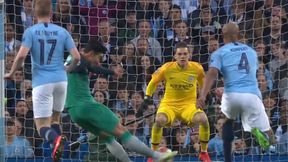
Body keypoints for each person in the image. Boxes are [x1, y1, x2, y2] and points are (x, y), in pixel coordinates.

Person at [64, 38, 177, 162]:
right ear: (90, 53)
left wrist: (107, 71)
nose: (98, 62)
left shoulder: (72, 60)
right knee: (122, 132)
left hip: (74, 111)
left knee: (108, 138)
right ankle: (157, 156)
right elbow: (91, 67)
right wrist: (112, 72)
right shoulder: (79, 58)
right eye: (98, 58)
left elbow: (85, 68)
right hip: (86, 106)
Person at [4, 0, 81, 161]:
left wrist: (11, 72)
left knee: (41, 126)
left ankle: (56, 140)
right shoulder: (62, 31)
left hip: (42, 82)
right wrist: (68, 69)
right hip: (61, 81)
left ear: (34, 15)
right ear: (51, 14)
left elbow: (22, 56)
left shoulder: (31, 31)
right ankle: (57, 152)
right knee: (55, 120)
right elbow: (76, 57)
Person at [197, 22, 275, 162]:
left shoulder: (219, 52)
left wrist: (202, 95)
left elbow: (212, 73)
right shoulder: (251, 51)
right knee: (267, 130)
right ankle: (272, 150)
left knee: (227, 122)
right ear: (239, 35)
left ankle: (228, 160)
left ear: (222, 36)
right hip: (252, 95)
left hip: (232, 95)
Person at [142, 41, 211, 162]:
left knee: (203, 119)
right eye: (180, 54)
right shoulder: (167, 68)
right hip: (169, 105)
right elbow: (153, 82)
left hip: (188, 105)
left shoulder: (197, 68)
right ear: (175, 56)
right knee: (159, 120)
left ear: (189, 55)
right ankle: (152, 154)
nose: (182, 56)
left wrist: (204, 95)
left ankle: (204, 153)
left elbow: (202, 82)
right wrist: (147, 96)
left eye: (185, 53)